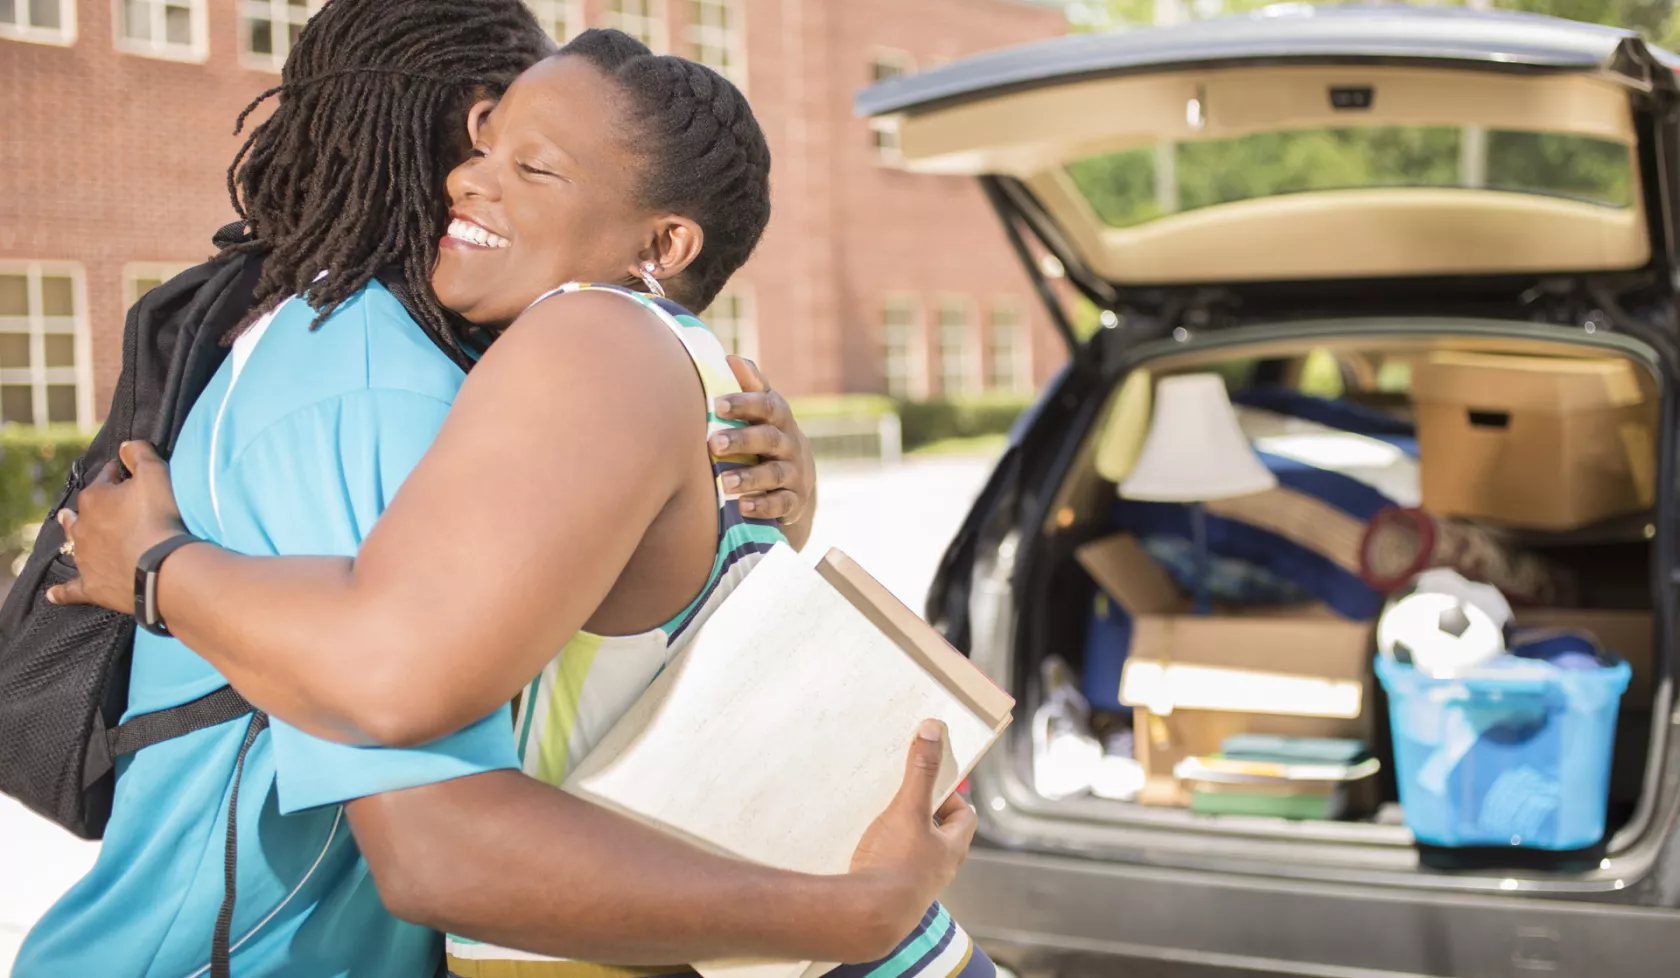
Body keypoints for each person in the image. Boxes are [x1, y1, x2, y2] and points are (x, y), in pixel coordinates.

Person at [18, 8, 975, 978]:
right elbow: (439, 810)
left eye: (531, 161)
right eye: (484, 140)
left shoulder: (578, 349)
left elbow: (412, 727)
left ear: (665, 240)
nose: (468, 178)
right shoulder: (399, 371)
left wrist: (155, 569)